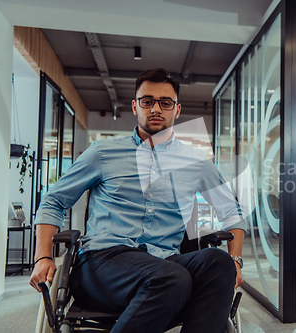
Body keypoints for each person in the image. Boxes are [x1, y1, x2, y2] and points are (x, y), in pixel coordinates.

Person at [29, 68, 246, 333]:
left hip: (165, 260)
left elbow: (232, 212)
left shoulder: (196, 162)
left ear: (177, 110)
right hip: (103, 262)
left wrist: (235, 260)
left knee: (218, 263)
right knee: (172, 278)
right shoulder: (102, 152)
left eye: (165, 103)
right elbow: (53, 201)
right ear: (135, 106)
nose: (156, 108)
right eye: (147, 101)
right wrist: (43, 257)